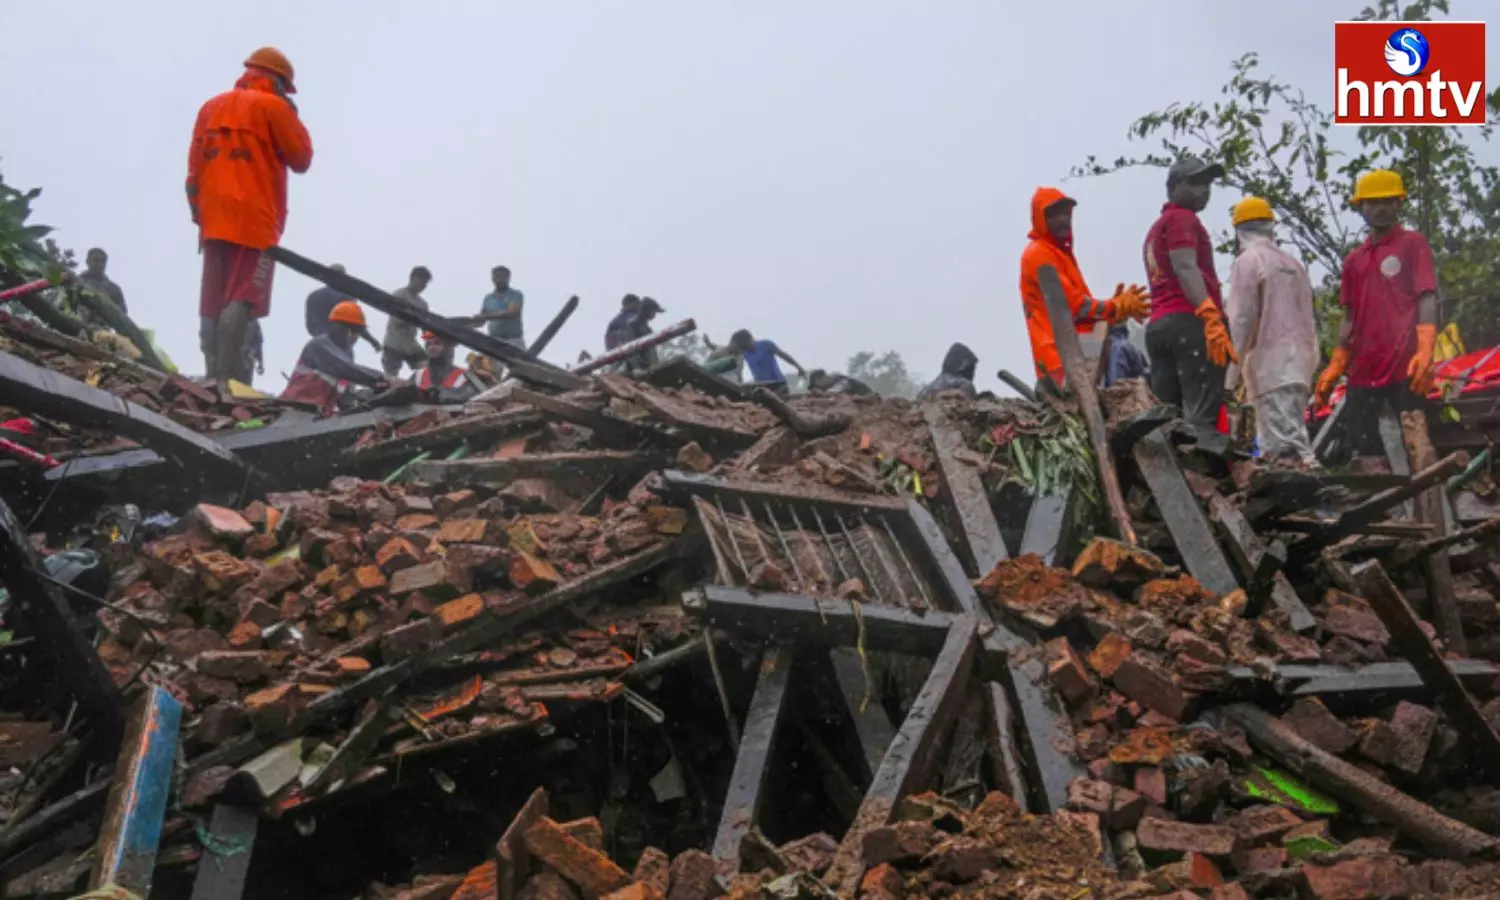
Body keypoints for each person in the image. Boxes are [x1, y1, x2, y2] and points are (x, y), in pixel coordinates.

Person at [188, 47, 313, 388]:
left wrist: (200, 213)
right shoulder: (273, 106)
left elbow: (193, 171)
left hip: (213, 218)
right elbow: (301, 159)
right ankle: (225, 384)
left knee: (213, 302)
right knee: (242, 297)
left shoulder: (210, 107)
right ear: (278, 81)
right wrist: (291, 113)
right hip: (254, 219)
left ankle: (212, 378)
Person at [1314, 169, 1439, 456]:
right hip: (1363, 370)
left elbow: (1427, 296)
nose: (1379, 208)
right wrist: (1336, 363)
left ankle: (1427, 499)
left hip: (1406, 365)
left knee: (1417, 443)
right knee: (1366, 449)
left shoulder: (1412, 243)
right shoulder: (1354, 261)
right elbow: (1348, 318)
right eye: (1371, 203)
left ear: (1398, 204)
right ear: (1360, 207)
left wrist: (1426, 346)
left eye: (1387, 201)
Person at [1020, 187, 1150, 387]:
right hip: (1059, 357)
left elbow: (1083, 309)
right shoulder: (1039, 254)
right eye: (1054, 214)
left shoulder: (1060, 254)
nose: (1063, 219)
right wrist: (1114, 306)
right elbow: (1076, 306)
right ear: (1039, 218)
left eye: (1066, 213)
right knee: (1121, 354)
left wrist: (1112, 313)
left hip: (1079, 351)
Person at [1142, 156, 1237, 429]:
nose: (1204, 190)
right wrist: (1209, 314)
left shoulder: (1157, 228)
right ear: (1174, 187)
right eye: (1195, 183)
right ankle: (1199, 467)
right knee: (1201, 414)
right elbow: (1185, 267)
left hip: (1160, 326)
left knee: (1168, 414)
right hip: (1189, 322)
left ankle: (1173, 467)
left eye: (1207, 183)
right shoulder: (1183, 219)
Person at [1225, 197, 1319, 465]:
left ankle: (1316, 500)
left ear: (1239, 231)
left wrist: (1227, 379)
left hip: (1271, 365)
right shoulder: (1294, 264)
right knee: (1292, 438)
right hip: (1300, 363)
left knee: (1284, 450)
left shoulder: (1249, 261)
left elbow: (1240, 321)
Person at [281, 301, 389, 413]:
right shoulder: (319, 345)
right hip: (294, 410)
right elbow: (345, 368)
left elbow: (347, 392)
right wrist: (382, 378)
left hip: (318, 416)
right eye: (355, 332)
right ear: (346, 330)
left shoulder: (347, 355)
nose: (356, 338)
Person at [382, 266, 432, 377]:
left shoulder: (422, 304)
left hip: (410, 343)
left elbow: (425, 327)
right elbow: (396, 320)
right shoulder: (399, 295)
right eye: (422, 282)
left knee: (427, 368)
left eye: (425, 284)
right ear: (413, 278)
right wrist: (413, 318)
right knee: (390, 377)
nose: (423, 286)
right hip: (394, 342)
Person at [413, 331, 479, 403]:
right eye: (428, 344)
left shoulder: (463, 375)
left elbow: (469, 395)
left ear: (448, 347)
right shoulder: (418, 375)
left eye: (437, 343)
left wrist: (440, 394)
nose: (432, 347)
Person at [733, 330, 805, 395]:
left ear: (750, 339)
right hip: (762, 386)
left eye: (745, 345)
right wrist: (739, 381)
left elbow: (783, 355)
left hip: (778, 383)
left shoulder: (766, 345)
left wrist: (798, 367)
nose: (745, 348)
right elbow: (739, 367)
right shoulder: (745, 353)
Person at [74, 248, 129, 324]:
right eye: (95, 260)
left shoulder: (113, 288)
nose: (99, 264)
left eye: (103, 262)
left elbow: (123, 314)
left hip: (101, 330)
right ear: (87, 262)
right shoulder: (76, 282)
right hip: (75, 325)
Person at [477, 265, 525, 351]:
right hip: (494, 340)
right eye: (497, 277)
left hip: (513, 340)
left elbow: (512, 313)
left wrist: (486, 316)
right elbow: (481, 320)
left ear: (508, 278)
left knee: (521, 363)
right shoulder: (488, 298)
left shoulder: (516, 295)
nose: (500, 279)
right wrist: (470, 323)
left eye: (503, 277)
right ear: (492, 278)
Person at [305, 264, 349, 337]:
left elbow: (310, 327)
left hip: (318, 340)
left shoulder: (312, 296)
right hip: (337, 342)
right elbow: (354, 326)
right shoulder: (345, 297)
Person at [808, 369, 875, 396]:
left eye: (817, 386)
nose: (818, 388)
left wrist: (821, 393)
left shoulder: (840, 381)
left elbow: (836, 394)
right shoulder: (830, 386)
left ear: (822, 379)